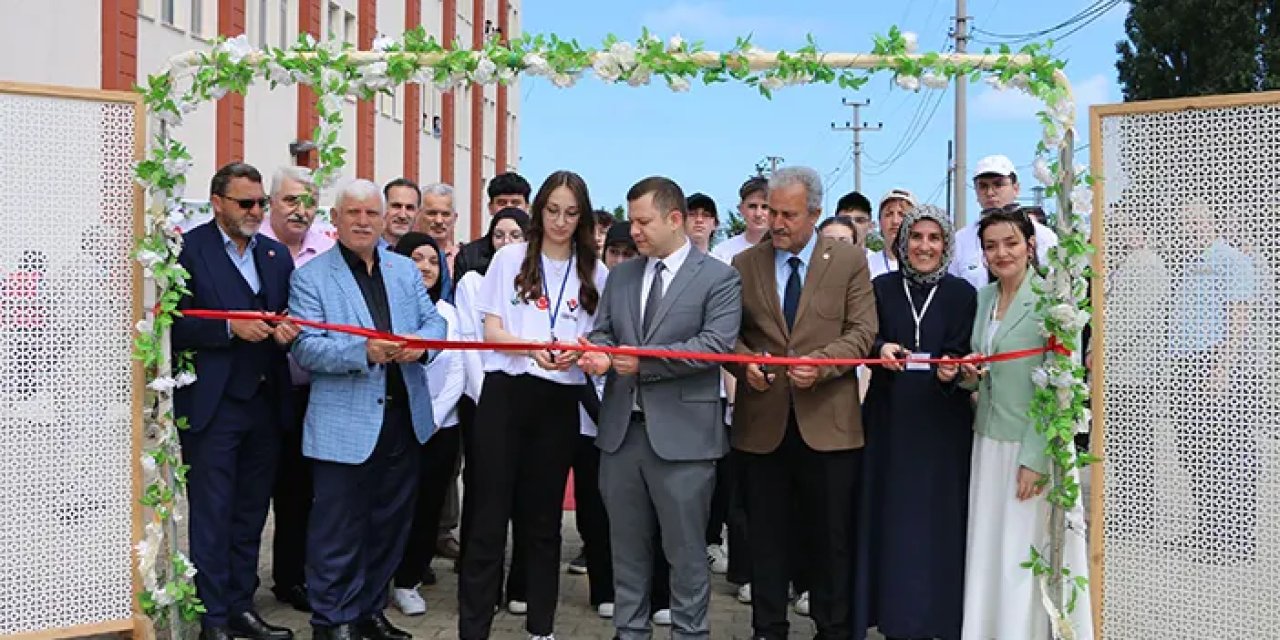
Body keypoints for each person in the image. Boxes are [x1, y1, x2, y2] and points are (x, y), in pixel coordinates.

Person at [579, 175, 742, 640]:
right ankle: (629, 631)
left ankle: (690, 633)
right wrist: (598, 353)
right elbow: (605, 331)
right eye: (632, 221)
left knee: (686, 553)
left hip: (685, 439)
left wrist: (640, 362)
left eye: (643, 221)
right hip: (621, 434)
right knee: (626, 549)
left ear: (675, 220)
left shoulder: (719, 278)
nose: (634, 231)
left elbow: (713, 346)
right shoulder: (622, 275)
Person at [290, 178, 447, 640]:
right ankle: (333, 620)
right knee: (337, 531)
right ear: (335, 219)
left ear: (383, 220)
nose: (363, 222)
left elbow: (434, 320)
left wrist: (422, 345)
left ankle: (369, 611)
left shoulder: (403, 270)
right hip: (345, 425)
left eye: (371, 213)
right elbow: (306, 348)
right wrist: (363, 352)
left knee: (389, 526)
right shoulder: (310, 277)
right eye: (353, 213)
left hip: (403, 420)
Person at [728, 166, 877, 640]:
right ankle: (767, 628)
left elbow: (863, 332)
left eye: (788, 215)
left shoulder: (850, 260)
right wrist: (746, 364)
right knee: (766, 540)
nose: (776, 223)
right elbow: (728, 336)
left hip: (828, 425)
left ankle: (832, 629)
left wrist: (823, 364)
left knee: (830, 541)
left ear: (814, 213)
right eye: (772, 212)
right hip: (762, 425)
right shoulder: (745, 264)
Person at [458, 170, 608, 640]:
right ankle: (474, 628)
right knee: (488, 517)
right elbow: (492, 331)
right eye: (553, 211)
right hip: (506, 391)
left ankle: (541, 628)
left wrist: (578, 354)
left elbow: (597, 340)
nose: (560, 221)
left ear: (582, 217)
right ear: (539, 211)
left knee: (543, 522)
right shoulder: (510, 258)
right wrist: (530, 348)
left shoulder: (595, 271)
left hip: (560, 398)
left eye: (571, 213)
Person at [938, 206, 1092, 640]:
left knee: (1022, 552)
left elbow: (1061, 386)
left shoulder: (1052, 301)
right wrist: (964, 372)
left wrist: (1035, 458)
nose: (1001, 253)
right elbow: (982, 372)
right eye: (991, 246)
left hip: (1031, 445)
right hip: (988, 440)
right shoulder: (984, 299)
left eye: (1010, 243)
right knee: (991, 549)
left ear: (1030, 245)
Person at [171, 162, 297, 640]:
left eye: (261, 203)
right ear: (217, 202)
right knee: (213, 513)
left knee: (250, 513)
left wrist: (285, 331)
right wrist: (228, 328)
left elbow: (284, 314)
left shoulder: (274, 255)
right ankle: (213, 616)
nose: (256, 211)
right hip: (214, 405)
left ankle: (242, 607)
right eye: (246, 203)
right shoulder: (187, 250)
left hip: (265, 402)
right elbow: (170, 323)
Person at [854, 205, 976, 640]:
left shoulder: (962, 293)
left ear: (946, 245)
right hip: (890, 420)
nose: (925, 247)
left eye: (934, 238)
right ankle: (894, 618)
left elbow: (963, 349)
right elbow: (864, 334)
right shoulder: (881, 287)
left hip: (942, 425)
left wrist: (952, 369)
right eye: (916, 237)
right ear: (902, 242)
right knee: (893, 520)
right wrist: (881, 347)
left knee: (937, 522)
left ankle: (939, 619)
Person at [1163, 201, 1261, 564]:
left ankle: (1234, 539)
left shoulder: (1233, 260)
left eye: (1197, 221)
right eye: (1184, 222)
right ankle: (1206, 529)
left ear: (1212, 222)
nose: (1190, 228)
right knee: (1194, 452)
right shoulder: (1188, 261)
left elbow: (1239, 319)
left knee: (1226, 455)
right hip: (1184, 365)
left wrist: (1221, 367)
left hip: (1214, 364)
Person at [260, 166, 335, 614]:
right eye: (290, 200)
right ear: (272, 202)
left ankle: (291, 578)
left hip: (310, 391)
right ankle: (237, 584)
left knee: (299, 492)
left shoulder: (326, 250)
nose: (299, 211)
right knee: (253, 492)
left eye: (308, 202)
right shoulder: (253, 246)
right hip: (260, 390)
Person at [451, 207, 532, 613]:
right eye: (499, 235)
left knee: (527, 498)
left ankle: (522, 586)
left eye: (515, 235)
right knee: (484, 498)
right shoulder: (472, 281)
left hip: (530, 401)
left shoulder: (538, 282)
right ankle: (481, 591)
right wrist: (493, 400)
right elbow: (471, 346)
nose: (506, 243)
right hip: (484, 402)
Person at [389, 232, 466, 616]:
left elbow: (457, 371)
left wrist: (432, 418)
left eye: (433, 260)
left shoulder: (449, 314)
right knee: (391, 507)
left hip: (440, 427)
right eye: (416, 258)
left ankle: (410, 580)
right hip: (396, 424)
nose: (425, 267)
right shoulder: (387, 307)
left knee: (427, 508)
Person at [948, 155, 1059, 289]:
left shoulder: (1043, 235)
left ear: (1016, 188)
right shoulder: (961, 240)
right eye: (983, 186)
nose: (990, 192)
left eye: (998, 184)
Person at [454, 171, 532, 279]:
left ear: (527, 207)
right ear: (490, 208)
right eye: (502, 203)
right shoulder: (469, 255)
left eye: (515, 203)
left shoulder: (541, 250)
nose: (508, 208)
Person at [711, 176, 770, 263]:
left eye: (765, 207)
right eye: (752, 206)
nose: (758, 214)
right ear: (741, 209)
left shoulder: (785, 251)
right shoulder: (721, 253)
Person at [866, 188, 915, 280]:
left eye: (902, 215)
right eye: (889, 214)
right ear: (880, 221)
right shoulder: (867, 265)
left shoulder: (924, 265)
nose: (895, 221)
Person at [383, 177, 420, 248]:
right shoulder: (367, 250)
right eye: (396, 206)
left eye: (409, 208)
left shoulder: (423, 252)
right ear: (383, 208)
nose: (402, 216)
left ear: (417, 213)